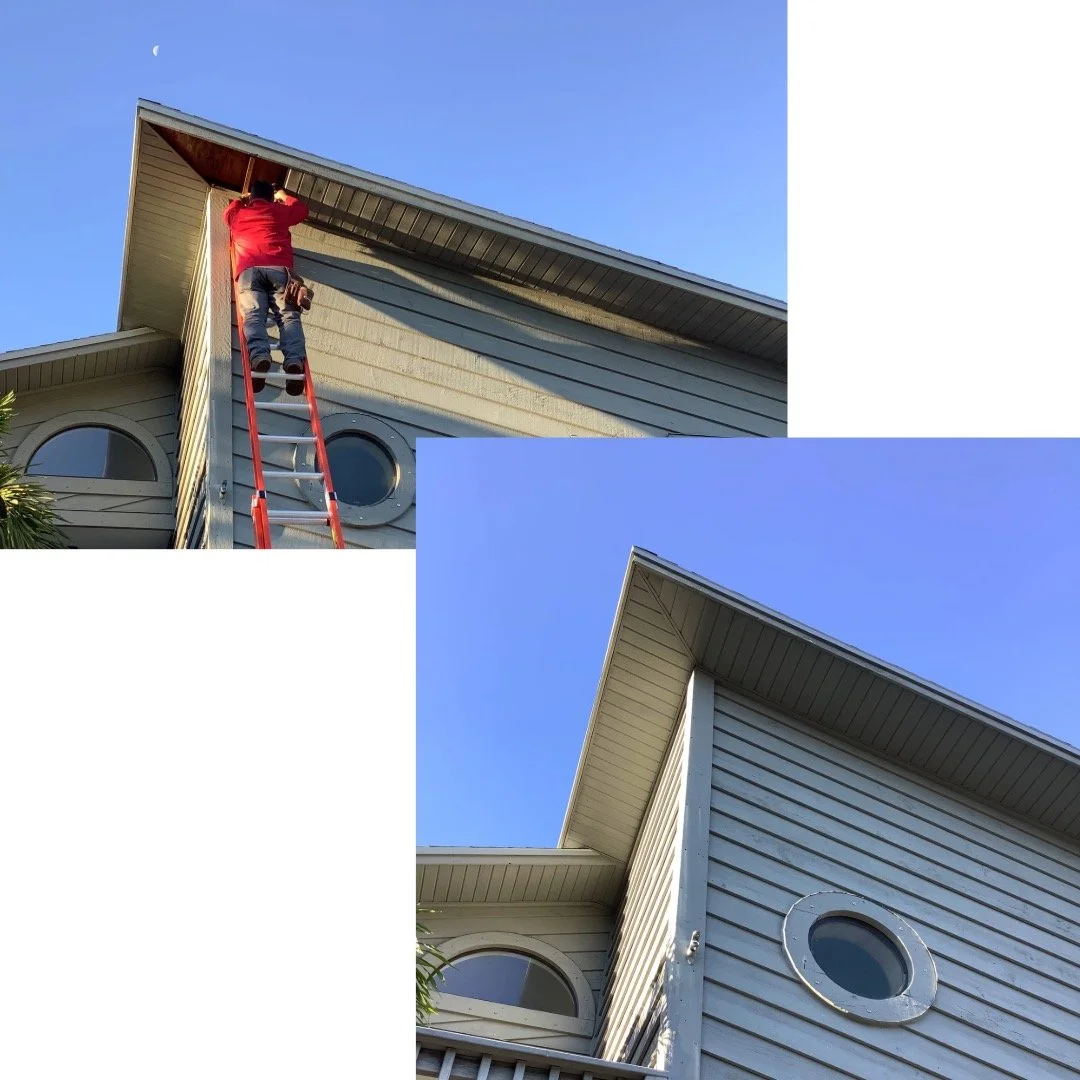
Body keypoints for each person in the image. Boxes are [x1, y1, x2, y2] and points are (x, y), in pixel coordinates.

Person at [224, 180, 310, 395]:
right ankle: (293, 363)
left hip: (249, 272)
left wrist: (240, 200)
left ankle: (260, 356)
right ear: (271, 198)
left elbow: (228, 214)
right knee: (289, 316)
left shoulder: (239, 216)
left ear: (251, 198)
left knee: (253, 317)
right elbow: (301, 210)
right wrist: (283, 195)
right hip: (278, 270)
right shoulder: (278, 210)